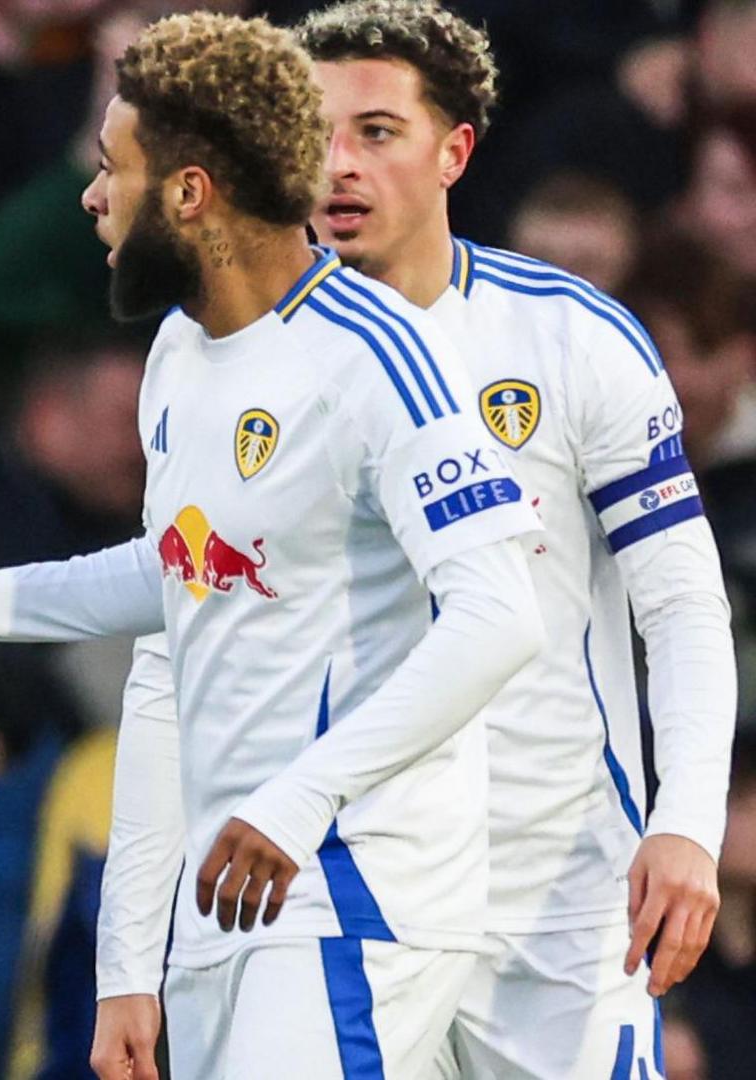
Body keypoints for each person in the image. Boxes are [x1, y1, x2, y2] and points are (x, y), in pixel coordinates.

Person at [0, 12, 546, 1078]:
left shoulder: (379, 355)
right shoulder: (179, 354)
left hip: (350, 889)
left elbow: (499, 617)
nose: (91, 197)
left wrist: (300, 800)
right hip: (225, 902)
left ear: (190, 194)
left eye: (111, 169)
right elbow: (174, 588)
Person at [297, 5, 733, 1076]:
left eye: (378, 131)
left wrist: (687, 824)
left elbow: (678, 600)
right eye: (317, 135)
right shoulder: (241, 355)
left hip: (557, 893)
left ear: (456, 151)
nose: (339, 166)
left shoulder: (570, 334)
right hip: (347, 882)